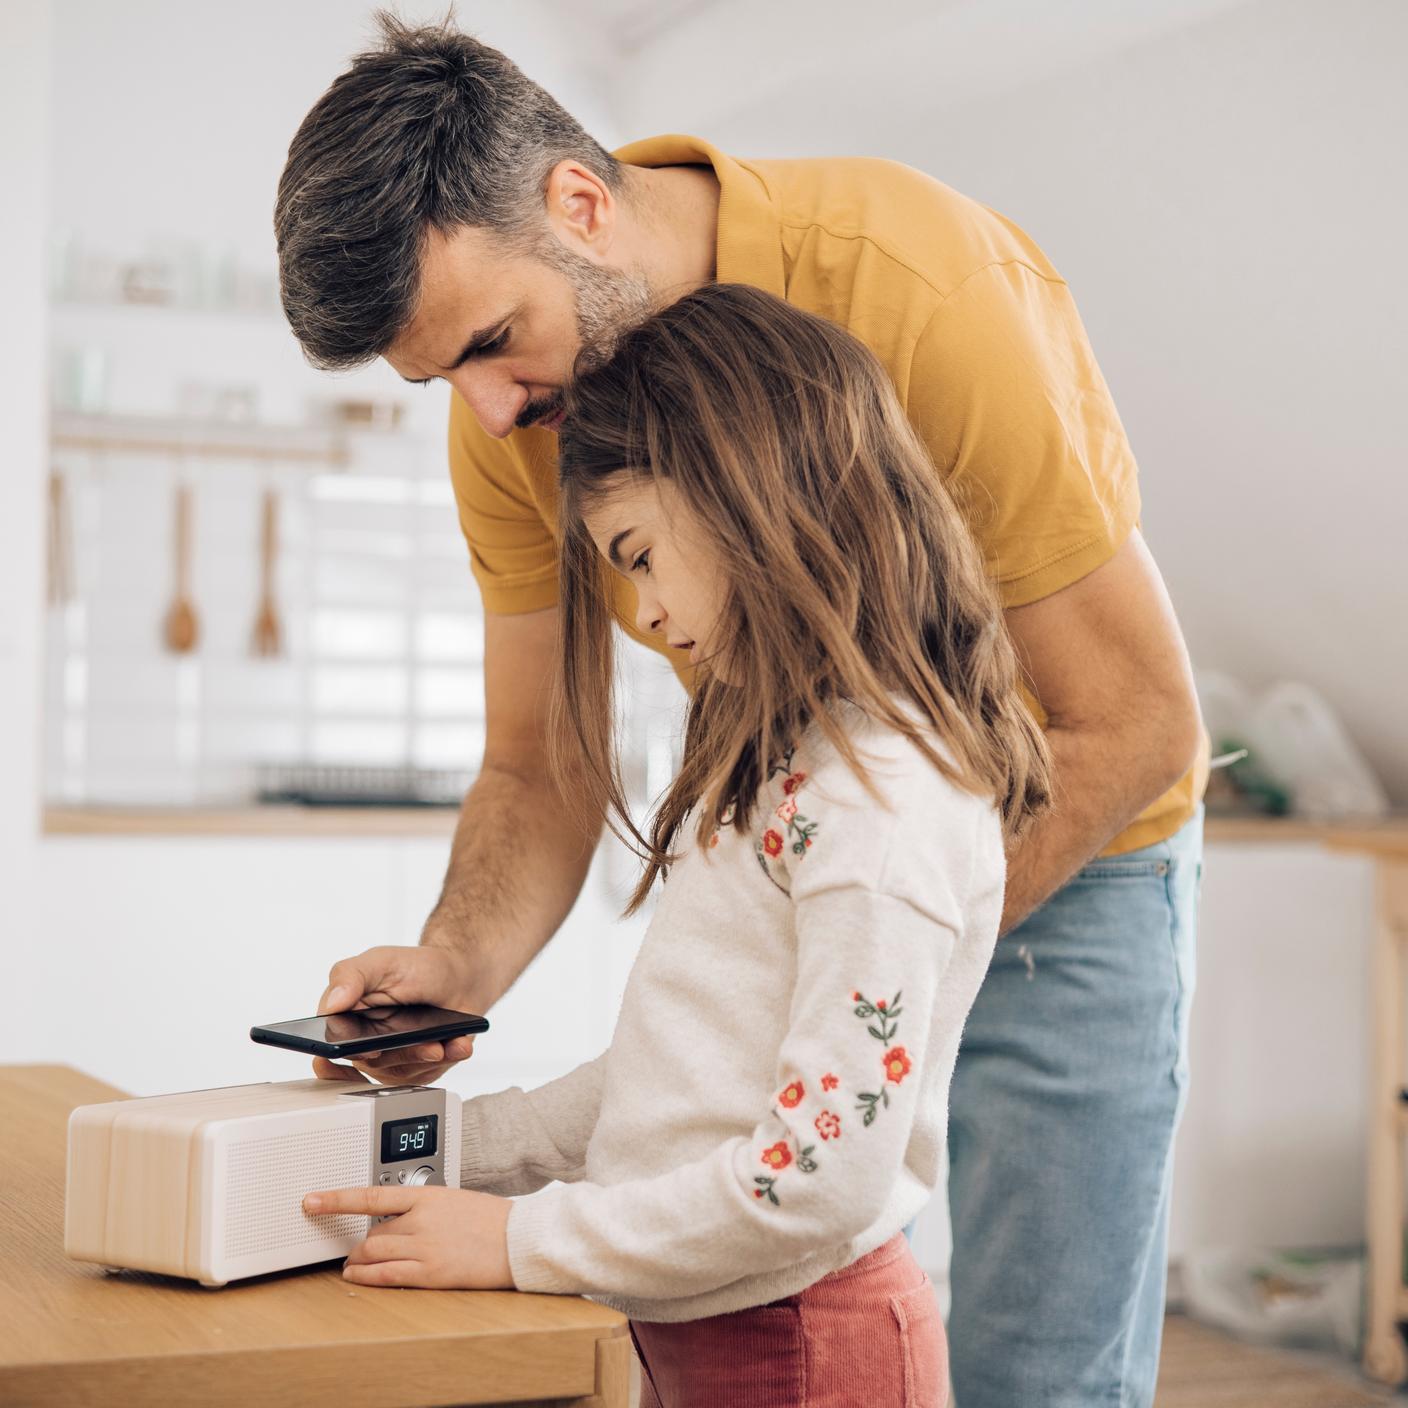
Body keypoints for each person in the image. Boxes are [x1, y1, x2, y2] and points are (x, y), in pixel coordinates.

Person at [276, 16, 1206, 1407]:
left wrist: (846, 960)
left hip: (1068, 838)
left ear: (578, 205)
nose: (484, 413)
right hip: (833, 866)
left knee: (1040, 1379)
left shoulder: (918, 287)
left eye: (488, 341)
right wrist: (453, 971)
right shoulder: (520, 421)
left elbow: (1134, 719)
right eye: (440, 381)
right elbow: (540, 765)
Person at [305, 282, 1054, 1408]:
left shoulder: (880, 809)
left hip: (808, 1347)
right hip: (717, 1328)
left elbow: (814, 1181)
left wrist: (515, 1240)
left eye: (641, 553)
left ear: (748, 493)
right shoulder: (796, 763)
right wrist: (443, 1149)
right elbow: (672, 1078)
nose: (644, 611)